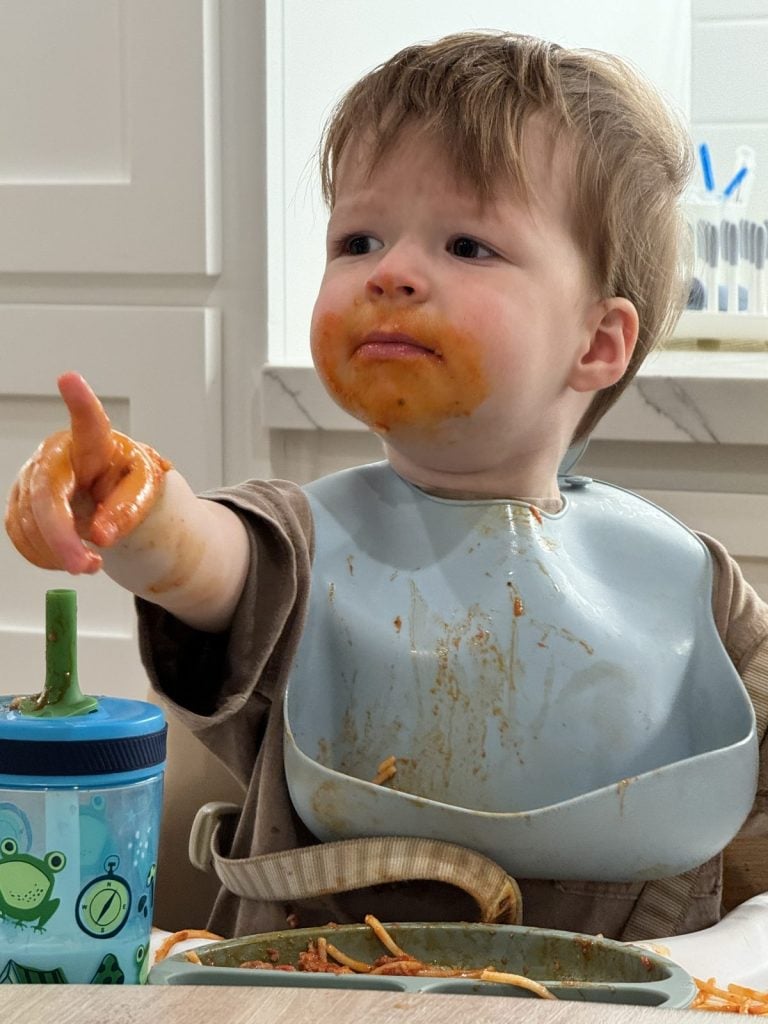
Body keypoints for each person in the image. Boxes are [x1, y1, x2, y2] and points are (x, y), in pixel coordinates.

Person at [6, 31, 768, 944]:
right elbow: (200, 557)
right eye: (357, 239)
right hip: (321, 993)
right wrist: (133, 497)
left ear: (597, 343)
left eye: (468, 245)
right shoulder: (296, 543)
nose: (391, 271)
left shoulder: (692, 589)